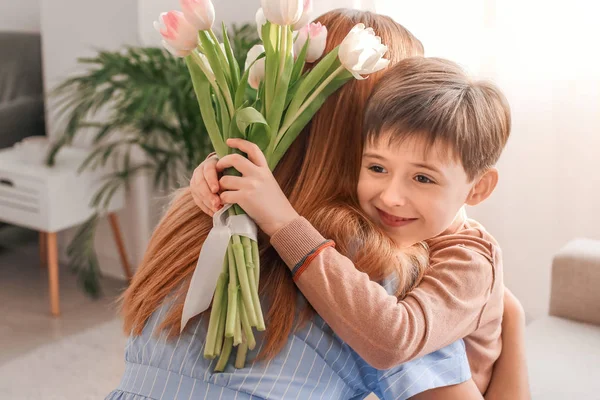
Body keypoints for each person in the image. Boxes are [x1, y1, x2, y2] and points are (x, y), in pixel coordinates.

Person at [107, 9, 529, 400]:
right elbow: (394, 337)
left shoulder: (201, 207)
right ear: (368, 128)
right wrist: (512, 318)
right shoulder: (376, 265)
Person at [195, 57, 510, 394]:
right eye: (377, 168)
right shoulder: (387, 226)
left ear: (478, 188)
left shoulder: (471, 260)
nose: (391, 197)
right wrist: (219, 169)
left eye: (422, 178)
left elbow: (392, 340)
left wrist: (284, 222)